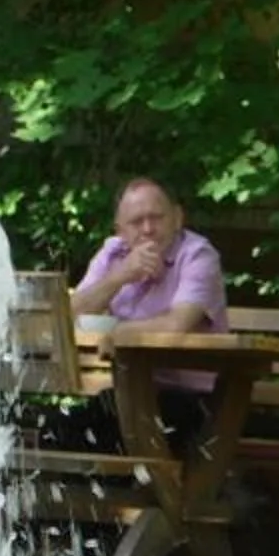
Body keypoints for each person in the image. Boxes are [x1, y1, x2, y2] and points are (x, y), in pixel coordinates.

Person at [51, 177, 228, 454]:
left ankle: (132, 494)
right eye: (136, 222)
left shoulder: (198, 256)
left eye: (156, 218)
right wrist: (119, 276)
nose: (148, 229)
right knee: (53, 430)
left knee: (86, 435)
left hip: (191, 400)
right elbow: (69, 316)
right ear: (120, 230)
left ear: (177, 218)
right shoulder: (113, 253)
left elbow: (176, 325)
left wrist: (118, 334)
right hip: (128, 393)